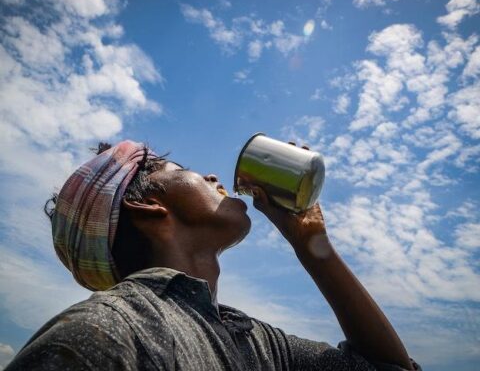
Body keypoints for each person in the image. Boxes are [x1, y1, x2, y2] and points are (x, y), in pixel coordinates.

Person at [6, 140, 421, 370]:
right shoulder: (107, 331)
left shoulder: (257, 340)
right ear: (149, 206)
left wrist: (313, 245)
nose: (212, 177)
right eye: (179, 168)